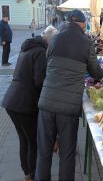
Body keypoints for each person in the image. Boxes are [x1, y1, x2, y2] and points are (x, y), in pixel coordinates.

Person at [35, 9, 103, 181]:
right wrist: (98, 75)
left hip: (46, 102)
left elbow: (48, 63)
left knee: (44, 151)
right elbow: (96, 71)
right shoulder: (86, 42)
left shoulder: (54, 38)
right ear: (81, 23)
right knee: (67, 154)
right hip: (68, 107)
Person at [1, 25, 59, 181]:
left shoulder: (27, 48)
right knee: (33, 141)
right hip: (24, 103)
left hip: (12, 100)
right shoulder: (41, 53)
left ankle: (27, 172)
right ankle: (32, 174)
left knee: (24, 139)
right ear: (50, 41)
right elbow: (39, 81)